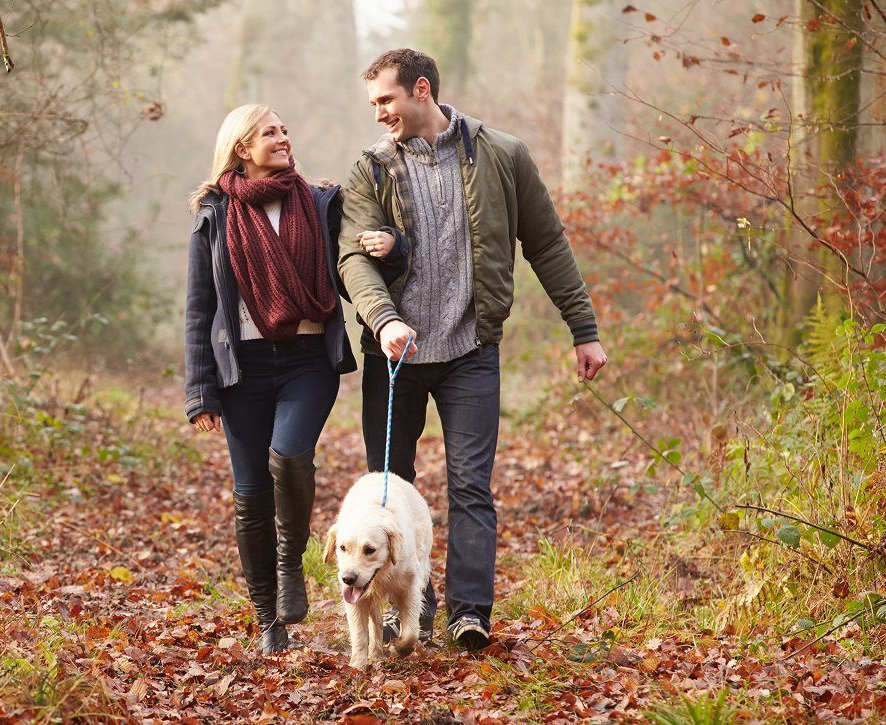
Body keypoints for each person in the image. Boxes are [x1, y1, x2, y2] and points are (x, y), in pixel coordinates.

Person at [338, 49, 609, 651]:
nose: (380, 113)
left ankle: (468, 614)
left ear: (422, 89)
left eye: (387, 100)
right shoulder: (370, 170)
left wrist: (582, 328)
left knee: (470, 487)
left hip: (470, 351)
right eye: (374, 104)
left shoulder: (502, 155)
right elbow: (352, 258)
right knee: (390, 490)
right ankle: (401, 613)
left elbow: (547, 243)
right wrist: (383, 320)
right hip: (395, 356)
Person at [184, 104, 357, 654]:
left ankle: (291, 565)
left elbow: (356, 266)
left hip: (308, 359)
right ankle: (268, 620)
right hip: (243, 370)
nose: (284, 138)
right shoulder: (214, 213)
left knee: (288, 455)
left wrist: (389, 251)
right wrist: (200, 391)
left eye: (285, 129)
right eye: (270, 132)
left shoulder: (320, 202)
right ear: (242, 148)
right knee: (251, 493)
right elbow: (198, 308)